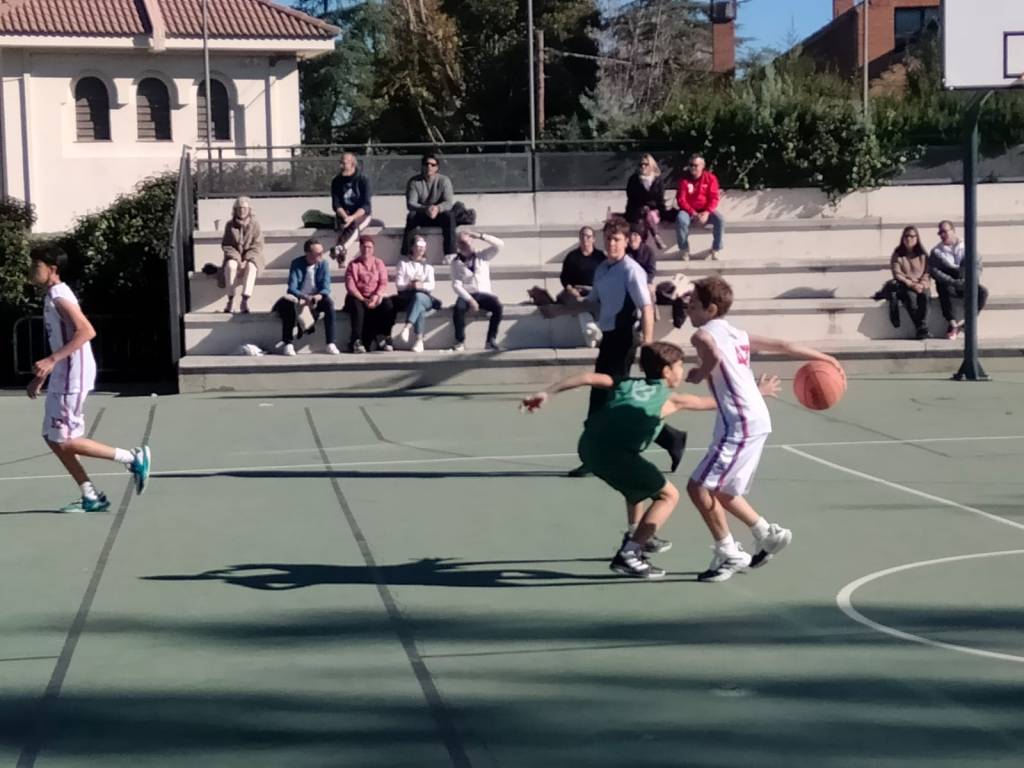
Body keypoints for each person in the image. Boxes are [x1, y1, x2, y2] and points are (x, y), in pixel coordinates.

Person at [522, 342, 744, 578]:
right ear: (666, 371)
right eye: (680, 365)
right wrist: (756, 392)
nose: (682, 370)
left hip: (588, 447)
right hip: (614, 454)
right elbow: (715, 403)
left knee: (637, 484)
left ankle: (636, 533)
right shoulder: (671, 399)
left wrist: (547, 392)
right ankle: (629, 554)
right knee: (668, 495)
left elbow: (587, 377)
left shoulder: (626, 383)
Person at [684, 276, 842, 582]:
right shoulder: (738, 334)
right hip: (754, 417)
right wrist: (827, 357)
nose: (688, 310)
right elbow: (784, 345)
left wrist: (700, 373)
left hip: (739, 422)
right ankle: (767, 533)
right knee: (726, 490)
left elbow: (712, 353)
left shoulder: (702, 335)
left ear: (711, 309)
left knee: (698, 487)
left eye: (693, 305)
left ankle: (728, 552)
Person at [25, 244, 151, 512]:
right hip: (63, 374)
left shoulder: (59, 296)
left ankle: (132, 458)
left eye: (36, 265)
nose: (32, 269)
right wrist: (44, 374)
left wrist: (51, 361)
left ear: (52, 269)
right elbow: (63, 339)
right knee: (52, 437)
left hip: (72, 375)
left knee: (65, 440)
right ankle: (90, 495)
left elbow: (86, 331)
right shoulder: (52, 295)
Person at [567, 217, 687, 479]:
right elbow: (592, 302)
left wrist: (648, 345)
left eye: (617, 239)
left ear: (625, 241)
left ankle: (595, 457)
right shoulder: (602, 269)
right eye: (608, 239)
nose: (612, 244)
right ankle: (670, 438)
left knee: (609, 399)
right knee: (607, 398)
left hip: (625, 339)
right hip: (609, 338)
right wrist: (557, 308)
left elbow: (646, 307)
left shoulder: (632, 271)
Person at [275, 239, 338, 356]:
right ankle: (288, 343)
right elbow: (292, 287)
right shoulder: (297, 263)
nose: (321, 256)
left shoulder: (324, 264)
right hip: (300, 297)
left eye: (322, 252)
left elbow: (326, 287)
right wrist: (304, 297)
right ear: (308, 253)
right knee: (288, 304)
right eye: (318, 253)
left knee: (329, 303)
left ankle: (331, 343)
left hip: (316, 298)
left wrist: (318, 296)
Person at [929, 220, 988, 340]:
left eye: (944, 231)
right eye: (940, 232)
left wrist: (968, 280)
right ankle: (952, 323)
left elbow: (977, 266)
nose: (942, 235)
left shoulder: (968, 247)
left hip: (966, 281)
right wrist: (953, 282)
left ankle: (967, 323)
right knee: (942, 287)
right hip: (949, 283)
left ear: (953, 231)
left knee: (982, 292)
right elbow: (935, 272)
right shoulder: (937, 251)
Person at [450, 230, 505, 352]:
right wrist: (470, 300)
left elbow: (500, 244)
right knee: (458, 308)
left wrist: (480, 236)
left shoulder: (483, 255)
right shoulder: (456, 262)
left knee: (498, 307)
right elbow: (456, 285)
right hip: (467, 294)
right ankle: (460, 341)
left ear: (472, 240)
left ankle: (490, 340)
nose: (464, 245)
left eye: (466, 241)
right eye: (461, 242)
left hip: (484, 293)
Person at [343, 235, 397, 353]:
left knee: (388, 305)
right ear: (360, 248)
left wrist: (376, 296)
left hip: (374, 296)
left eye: (369, 247)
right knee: (357, 307)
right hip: (357, 296)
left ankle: (384, 336)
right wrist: (363, 299)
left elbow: (383, 282)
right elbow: (350, 286)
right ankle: (356, 341)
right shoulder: (353, 264)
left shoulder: (378, 263)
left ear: (373, 249)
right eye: (364, 247)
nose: (366, 249)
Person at [557, 226, 606, 347]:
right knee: (579, 301)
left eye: (588, 236)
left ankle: (590, 331)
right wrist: (570, 289)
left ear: (594, 239)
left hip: (594, 291)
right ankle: (592, 330)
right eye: (582, 236)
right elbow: (564, 277)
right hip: (576, 291)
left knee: (591, 301)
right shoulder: (572, 256)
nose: (585, 239)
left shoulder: (600, 257)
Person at [402, 153, 456, 261]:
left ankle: (450, 253)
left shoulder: (444, 181)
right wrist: (425, 209)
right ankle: (406, 253)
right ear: (422, 166)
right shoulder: (414, 182)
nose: (429, 167)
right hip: (422, 214)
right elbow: (411, 203)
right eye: (426, 164)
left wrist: (437, 208)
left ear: (437, 167)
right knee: (411, 216)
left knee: (449, 216)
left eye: (432, 164)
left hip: (439, 215)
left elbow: (448, 202)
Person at [395, 235, 440, 353]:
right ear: (412, 247)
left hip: (425, 296)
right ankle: (419, 341)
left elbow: (431, 285)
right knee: (419, 306)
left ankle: (407, 327)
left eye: (423, 246)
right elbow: (399, 285)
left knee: (419, 297)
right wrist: (410, 285)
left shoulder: (428, 266)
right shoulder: (403, 264)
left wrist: (421, 285)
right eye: (418, 245)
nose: (421, 248)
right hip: (408, 296)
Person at [675, 154, 724, 261]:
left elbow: (714, 198)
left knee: (720, 220)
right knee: (680, 219)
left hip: (706, 210)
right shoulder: (684, 180)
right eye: (691, 165)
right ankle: (684, 250)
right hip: (688, 211)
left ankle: (716, 249)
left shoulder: (710, 178)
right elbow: (681, 200)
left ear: (702, 166)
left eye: (695, 165)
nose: (692, 168)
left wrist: (706, 213)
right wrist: (693, 213)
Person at [220, 196, 264, 313]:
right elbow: (227, 245)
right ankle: (230, 300)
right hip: (234, 257)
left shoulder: (255, 225)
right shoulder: (230, 225)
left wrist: (247, 259)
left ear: (249, 210)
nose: (241, 211)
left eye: (244, 208)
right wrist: (237, 259)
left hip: (253, 257)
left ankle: (245, 300)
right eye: (239, 208)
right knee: (230, 265)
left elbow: (257, 245)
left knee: (252, 266)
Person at [330, 152, 372, 264]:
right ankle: (341, 250)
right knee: (343, 226)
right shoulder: (336, 181)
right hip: (344, 214)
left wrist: (352, 217)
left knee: (354, 225)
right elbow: (336, 204)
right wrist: (345, 217)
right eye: (340, 163)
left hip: (361, 214)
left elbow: (366, 205)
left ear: (353, 164)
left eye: (344, 163)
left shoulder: (363, 179)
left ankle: (341, 248)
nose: (341, 166)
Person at [891, 225, 931, 340]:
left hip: (921, 284)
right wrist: (911, 284)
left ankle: (922, 328)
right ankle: (922, 329)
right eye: (906, 236)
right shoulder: (898, 254)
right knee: (911, 299)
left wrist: (922, 284)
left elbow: (927, 272)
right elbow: (897, 273)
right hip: (906, 285)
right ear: (902, 238)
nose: (909, 239)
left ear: (917, 238)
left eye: (912, 236)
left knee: (925, 297)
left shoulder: (923, 254)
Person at [624, 153, 668, 250]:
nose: (643, 166)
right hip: (636, 211)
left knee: (649, 214)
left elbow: (660, 199)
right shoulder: (633, 180)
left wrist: (662, 213)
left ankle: (642, 247)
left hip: (653, 212)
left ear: (651, 165)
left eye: (646, 164)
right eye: (641, 164)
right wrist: (641, 207)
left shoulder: (658, 180)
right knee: (640, 221)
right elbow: (631, 198)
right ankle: (656, 236)